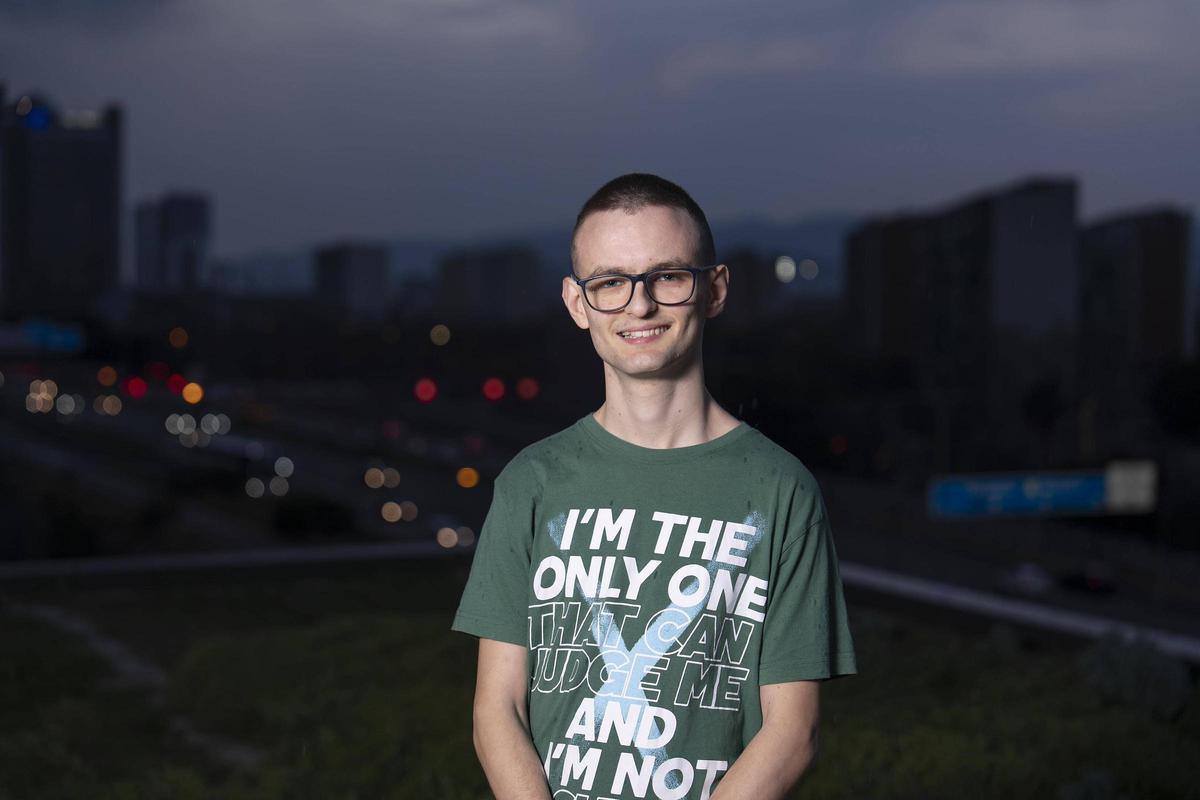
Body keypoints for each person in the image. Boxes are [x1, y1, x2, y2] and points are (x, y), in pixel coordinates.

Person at [451, 172, 857, 800]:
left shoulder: (780, 489)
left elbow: (792, 731)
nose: (638, 306)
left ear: (713, 290)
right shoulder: (531, 482)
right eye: (609, 282)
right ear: (576, 302)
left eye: (667, 276)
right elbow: (497, 709)